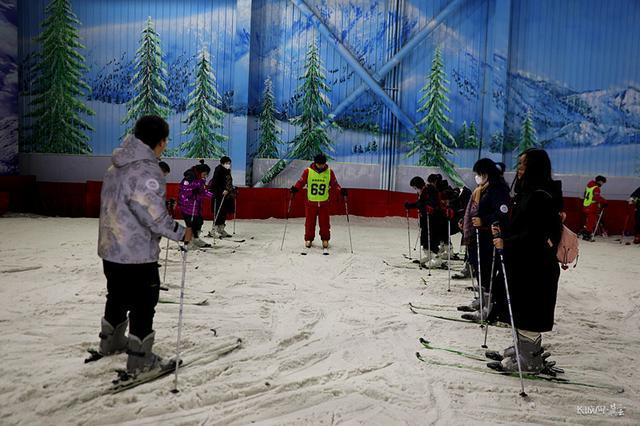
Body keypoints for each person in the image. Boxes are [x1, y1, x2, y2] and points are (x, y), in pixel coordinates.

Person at [96, 115, 192, 375]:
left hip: (111, 248)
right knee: (143, 301)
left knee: (116, 294)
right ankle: (140, 359)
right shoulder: (147, 170)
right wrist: (181, 233)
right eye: (165, 141)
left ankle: (111, 340)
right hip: (136, 253)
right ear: (160, 142)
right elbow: (153, 215)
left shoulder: (116, 166)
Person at [490, 148, 563, 373]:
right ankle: (522, 348)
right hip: (523, 262)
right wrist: (503, 231)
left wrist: (507, 243)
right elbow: (521, 226)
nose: (519, 168)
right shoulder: (528, 192)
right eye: (519, 163)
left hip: (535, 265)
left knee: (530, 310)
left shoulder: (541, 195)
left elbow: (535, 234)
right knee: (520, 307)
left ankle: (530, 357)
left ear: (535, 167)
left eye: (524, 164)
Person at [458, 159, 510, 319]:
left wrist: (484, 221)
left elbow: (503, 213)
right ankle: (481, 300)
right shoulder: (482, 189)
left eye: (479, 174)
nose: (477, 177)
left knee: (487, 271)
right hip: (478, 235)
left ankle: (488, 308)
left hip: (489, 237)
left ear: (487, 173)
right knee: (479, 269)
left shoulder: (497, 189)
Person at [290, 153, 346, 251]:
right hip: (311, 202)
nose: (321, 166)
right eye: (319, 164)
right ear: (315, 163)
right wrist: (295, 188)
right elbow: (301, 182)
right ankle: (308, 239)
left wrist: (341, 191)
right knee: (309, 223)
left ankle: (325, 239)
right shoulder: (308, 171)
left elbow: (335, 184)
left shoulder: (329, 172)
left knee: (324, 223)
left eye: (323, 164)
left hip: (324, 203)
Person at [178, 160, 213, 248]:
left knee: (199, 222)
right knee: (190, 224)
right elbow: (183, 190)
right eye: (204, 174)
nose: (205, 176)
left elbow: (202, 191)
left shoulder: (201, 179)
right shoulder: (190, 177)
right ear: (200, 172)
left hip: (196, 206)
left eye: (206, 175)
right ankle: (189, 242)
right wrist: (192, 191)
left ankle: (196, 238)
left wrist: (213, 196)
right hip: (187, 205)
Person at [207, 156, 235, 238]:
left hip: (227, 195)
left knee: (224, 212)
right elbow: (215, 183)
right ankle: (214, 230)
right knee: (218, 212)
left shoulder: (227, 171)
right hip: (219, 195)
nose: (228, 165)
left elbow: (229, 182)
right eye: (226, 163)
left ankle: (221, 229)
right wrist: (222, 190)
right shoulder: (218, 170)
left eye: (229, 163)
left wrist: (231, 189)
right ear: (222, 163)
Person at [580, 175, 607, 241]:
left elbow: (585, 194)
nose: (602, 184)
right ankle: (587, 235)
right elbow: (596, 197)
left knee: (588, 221)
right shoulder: (596, 188)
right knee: (591, 221)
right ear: (600, 181)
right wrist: (604, 201)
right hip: (592, 206)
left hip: (586, 205)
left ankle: (585, 233)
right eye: (603, 182)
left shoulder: (589, 185)